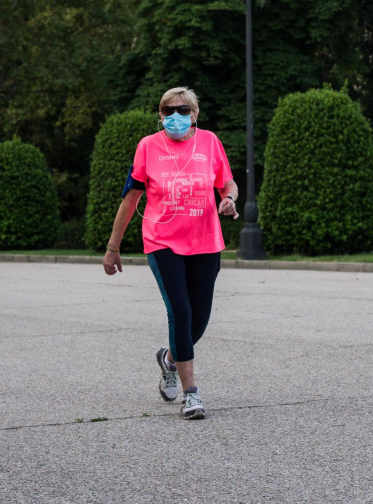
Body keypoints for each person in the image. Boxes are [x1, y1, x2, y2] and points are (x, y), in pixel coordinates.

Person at [102, 87, 239, 420]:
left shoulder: (210, 142)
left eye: (181, 110)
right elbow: (130, 200)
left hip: (206, 241)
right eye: (167, 110)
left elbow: (228, 183)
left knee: (199, 318)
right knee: (180, 310)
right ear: (160, 114)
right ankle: (191, 395)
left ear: (194, 114)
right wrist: (112, 247)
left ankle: (169, 359)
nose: (174, 116)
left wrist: (230, 199)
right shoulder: (148, 147)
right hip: (162, 242)